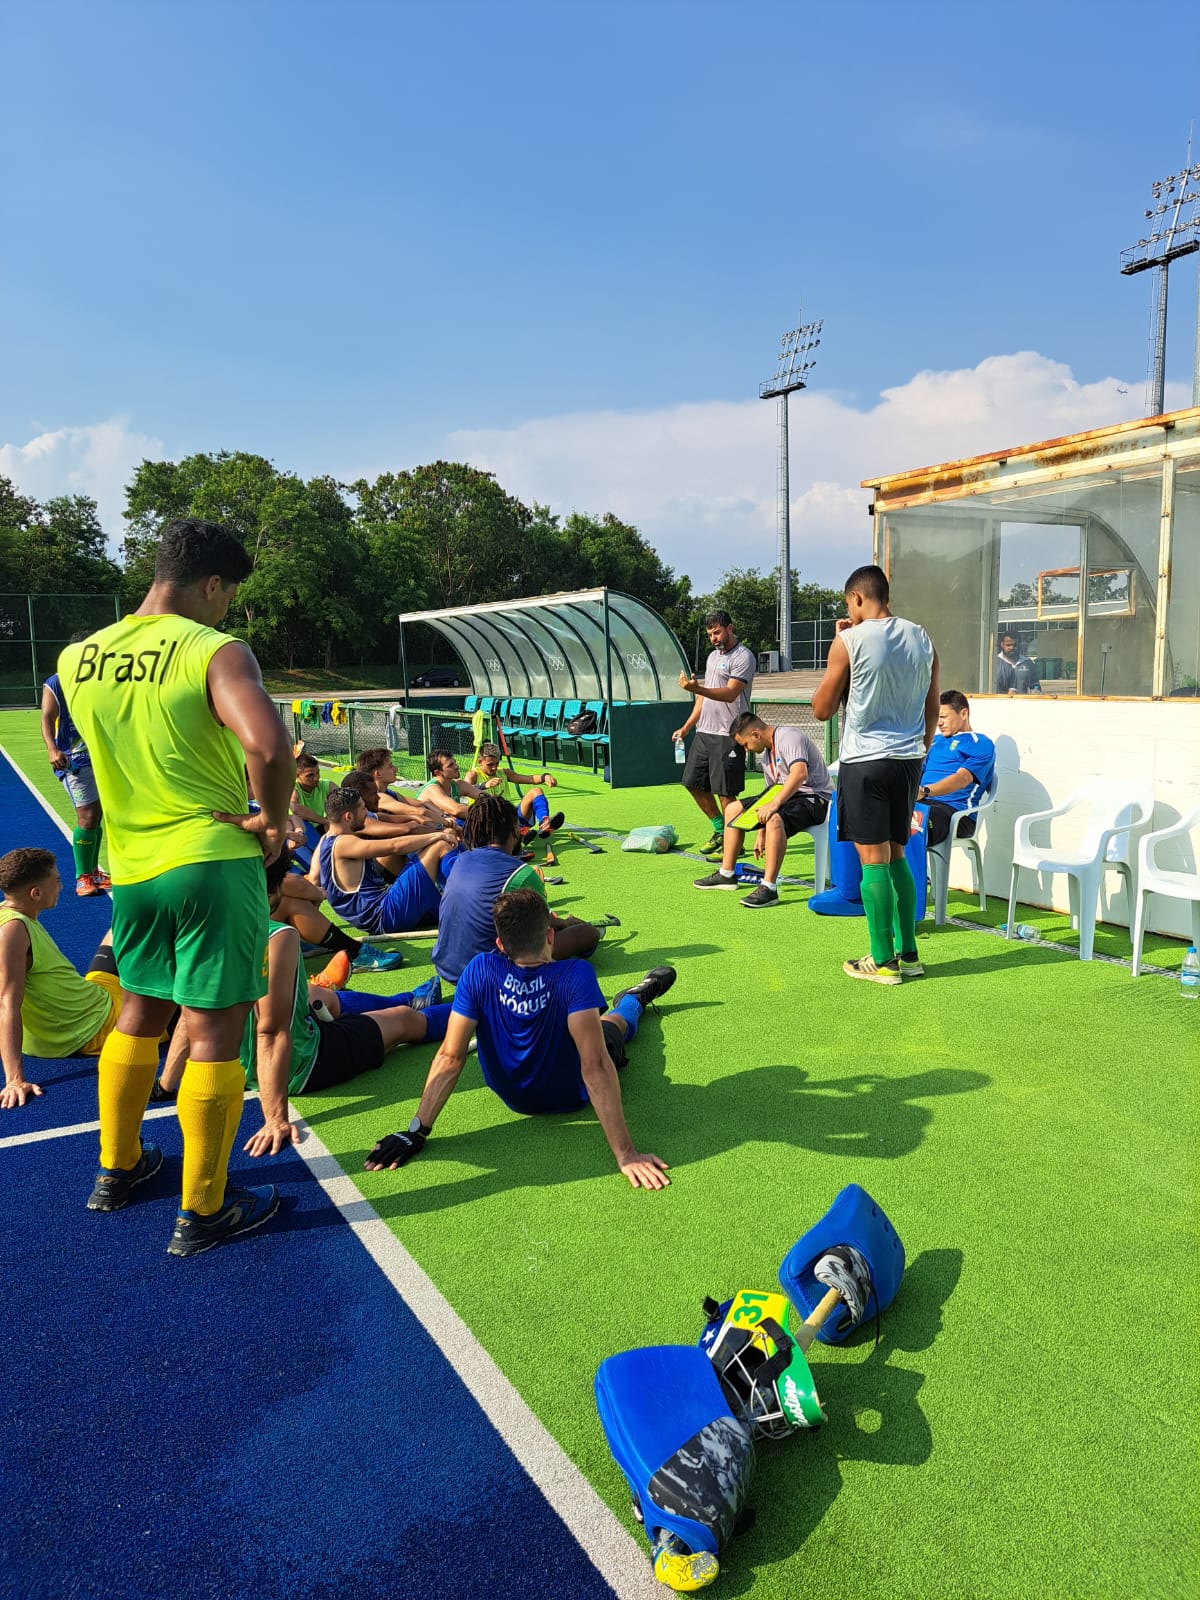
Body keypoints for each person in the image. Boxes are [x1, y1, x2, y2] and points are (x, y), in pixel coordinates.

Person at [58, 516, 296, 1257]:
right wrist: (276, 820)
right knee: (217, 1034)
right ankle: (205, 1209)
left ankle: (117, 1168)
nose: (228, 610)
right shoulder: (214, 649)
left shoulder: (78, 658)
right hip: (210, 858)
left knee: (138, 1014)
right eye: (229, 595)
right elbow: (268, 745)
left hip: (132, 870)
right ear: (212, 584)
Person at [365, 888, 674, 1190]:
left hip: (511, 1097)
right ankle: (634, 999)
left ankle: (629, 1003)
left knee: (592, 1027)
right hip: (571, 1097)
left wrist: (416, 1131)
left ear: (500, 943)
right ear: (550, 937)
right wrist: (626, 1154)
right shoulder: (575, 974)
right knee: (612, 1025)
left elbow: (450, 1056)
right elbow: (594, 1065)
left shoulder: (479, 969)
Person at [156, 851, 453, 1162]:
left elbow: (190, 1017)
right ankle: (467, 1008)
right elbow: (270, 1032)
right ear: (271, 888)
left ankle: (403, 997)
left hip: (233, 1063)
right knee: (405, 1021)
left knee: (318, 996)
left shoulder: (200, 925)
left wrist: (166, 1084)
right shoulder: (277, 936)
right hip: (303, 1064)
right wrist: (276, 1118)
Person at [812, 564, 938, 987]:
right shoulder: (923, 637)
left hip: (865, 761)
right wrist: (920, 750)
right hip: (907, 760)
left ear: (858, 598)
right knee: (899, 852)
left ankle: (883, 960)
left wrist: (838, 642)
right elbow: (932, 706)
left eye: (850, 602)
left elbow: (821, 709)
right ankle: (909, 952)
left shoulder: (848, 640)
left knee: (873, 861)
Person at [0, 848, 124, 1109]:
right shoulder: (13, 931)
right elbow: (7, 1003)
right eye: (56, 880)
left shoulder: (11, 915)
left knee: (125, 922)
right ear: (36, 893)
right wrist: (14, 1079)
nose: (61, 884)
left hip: (91, 997)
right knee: (193, 1001)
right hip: (95, 1026)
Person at [431, 796, 599, 984]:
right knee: (588, 933)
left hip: (445, 967)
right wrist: (566, 923)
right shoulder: (521, 873)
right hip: (490, 974)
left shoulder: (462, 860)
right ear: (514, 830)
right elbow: (544, 928)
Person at [692, 713, 832, 908]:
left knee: (774, 818)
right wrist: (761, 833)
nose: (746, 750)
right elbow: (768, 795)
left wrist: (775, 805)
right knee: (732, 809)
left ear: (756, 734)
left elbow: (800, 773)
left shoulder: (789, 737)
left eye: (745, 744)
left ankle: (769, 888)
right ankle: (726, 874)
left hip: (815, 798)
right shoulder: (766, 754)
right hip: (784, 797)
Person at [318, 784, 457, 937]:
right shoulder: (343, 843)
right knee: (440, 846)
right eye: (363, 809)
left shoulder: (326, 840)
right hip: (385, 914)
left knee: (454, 908)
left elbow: (314, 876)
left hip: (384, 911)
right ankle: (472, 889)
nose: (368, 813)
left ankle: (464, 896)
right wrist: (439, 834)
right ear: (348, 817)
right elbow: (394, 846)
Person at [672, 610, 756, 855]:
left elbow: (729, 693)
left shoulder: (743, 657)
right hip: (704, 733)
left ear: (730, 628)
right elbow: (702, 697)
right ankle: (721, 830)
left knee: (726, 793)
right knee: (692, 783)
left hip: (729, 735)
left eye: (717, 632)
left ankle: (735, 846)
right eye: (710, 634)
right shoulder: (711, 658)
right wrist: (687, 727)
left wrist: (698, 688)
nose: (714, 638)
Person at [40, 664, 110, 896]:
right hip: (74, 759)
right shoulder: (57, 681)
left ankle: (93, 872)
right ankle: (82, 878)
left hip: (102, 756)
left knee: (97, 814)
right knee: (87, 816)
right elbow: (48, 717)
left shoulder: (103, 677)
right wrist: (52, 749)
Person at [917, 691, 995, 847]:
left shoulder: (980, 743)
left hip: (955, 813)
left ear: (963, 713)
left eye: (944, 717)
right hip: (922, 803)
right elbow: (917, 772)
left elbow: (962, 779)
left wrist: (925, 791)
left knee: (912, 821)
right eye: (937, 717)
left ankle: (913, 872)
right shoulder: (934, 741)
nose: (938, 723)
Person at [465, 744, 564, 837]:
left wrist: (544, 776)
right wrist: (484, 785)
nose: (494, 767)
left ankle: (544, 824)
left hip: (509, 817)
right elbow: (463, 790)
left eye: (497, 763)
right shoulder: (473, 775)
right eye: (490, 764)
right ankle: (517, 835)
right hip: (488, 821)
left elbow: (529, 779)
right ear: (480, 762)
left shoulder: (504, 773)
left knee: (536, 791)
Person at [420, 748, 484, 821]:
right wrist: (486, 813)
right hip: (424, 829)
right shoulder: (431, 789)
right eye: (450, 765)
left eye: (455, 762)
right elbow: (457, 810)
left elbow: (486, 797)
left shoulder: (459, 785)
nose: (456, 766)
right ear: (437, 772)